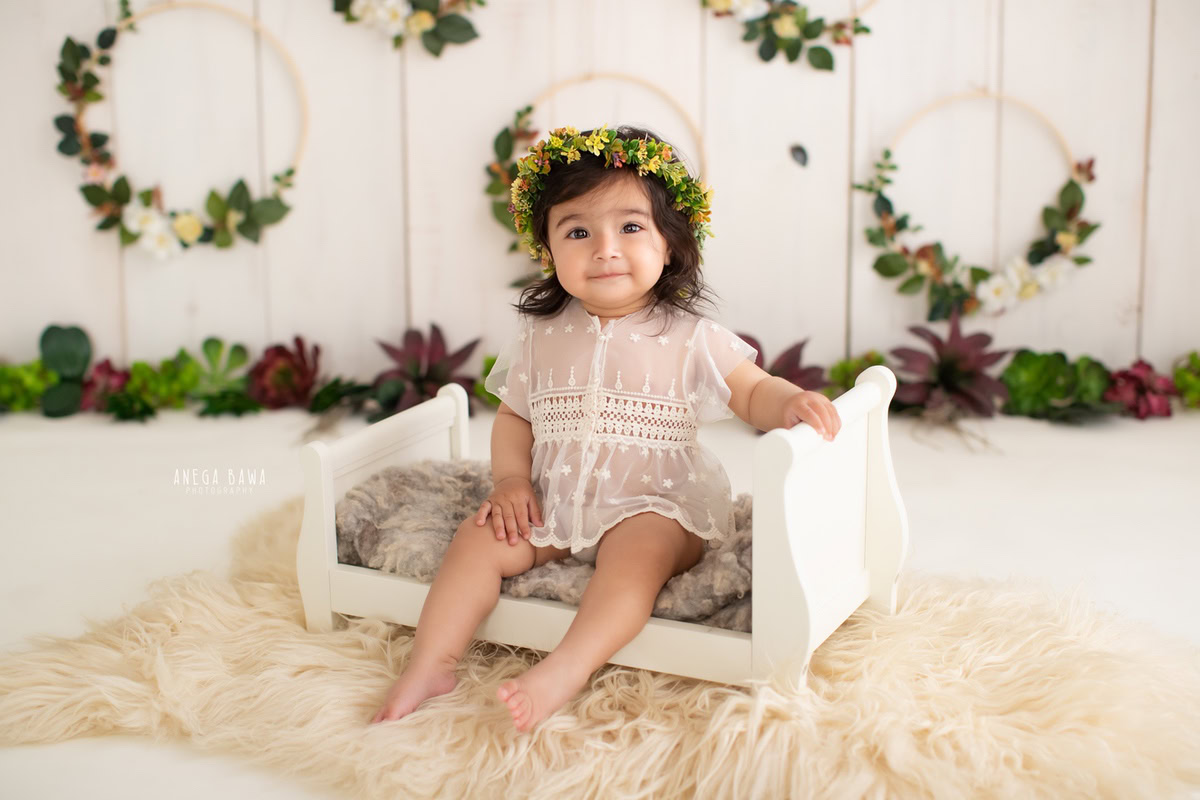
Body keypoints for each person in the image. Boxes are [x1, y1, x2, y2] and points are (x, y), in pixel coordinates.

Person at [370, 124, 842, 732]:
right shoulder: (541, 337)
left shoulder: (688, 335)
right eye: (578, 231)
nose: (605, 249)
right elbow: (516, 415)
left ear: (670, 243)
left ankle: (566, 667)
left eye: (630, 227)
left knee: (635, 558)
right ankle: (430, 662)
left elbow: (750, 389)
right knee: (478, 538)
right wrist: (513, 481)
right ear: (547, 249)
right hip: (558, 499)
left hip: (656, 504)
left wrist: (790, 403)